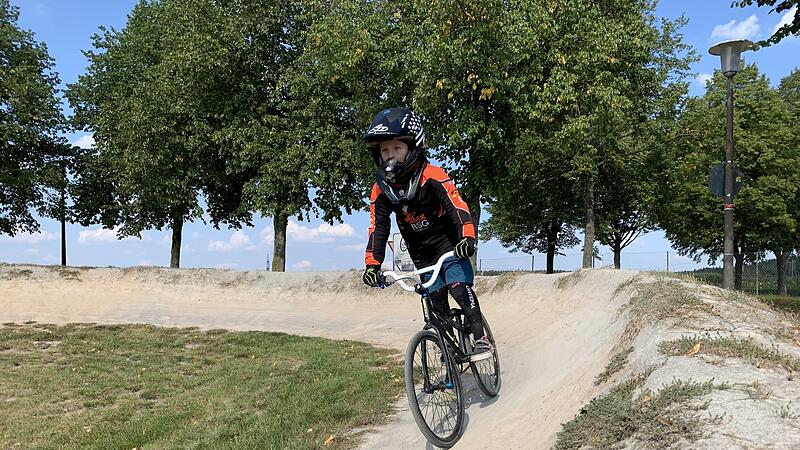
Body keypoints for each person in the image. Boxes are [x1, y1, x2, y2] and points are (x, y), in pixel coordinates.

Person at [360, 107, 492, 358]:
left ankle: (480, 338)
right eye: (384, 150)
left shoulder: (432, 175)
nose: (390, 156)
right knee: (436, 303)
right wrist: (372, 265)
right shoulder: (380, 189)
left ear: (413, 147)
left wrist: (467, 237)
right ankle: (450, 353)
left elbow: (457, 207)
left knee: (458, 288)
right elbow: (378, 227)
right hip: (421, 252)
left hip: (449, 245)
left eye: (396, 148)